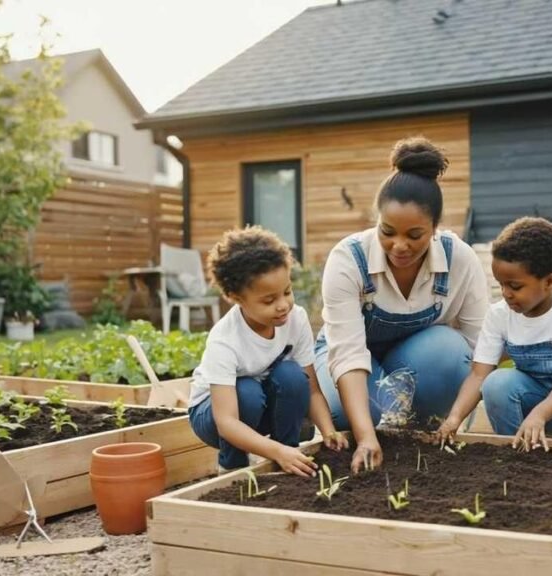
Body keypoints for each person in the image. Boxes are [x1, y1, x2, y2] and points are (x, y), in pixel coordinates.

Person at [316, 137, 489, 472]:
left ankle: (417, 439)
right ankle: (372, 430)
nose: (399, 246)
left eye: (414, 235)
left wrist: (456, 418)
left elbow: (481, 349)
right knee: (348, 414)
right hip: (350, 359)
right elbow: (348, 354)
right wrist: (366, 437)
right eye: (388, 231)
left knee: (451, 352)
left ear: (435, 228)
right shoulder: (349, 259)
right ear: (377, 220)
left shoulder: (459, 260)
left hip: (415, 360)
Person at [435, 217, 552, 451]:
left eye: (515, 286)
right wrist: (454, 418)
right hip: (532, 387)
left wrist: (539, 415)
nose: (506, 293)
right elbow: (478, 375)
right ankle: (515, 449)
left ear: (550, 281)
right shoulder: (499, 315)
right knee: (495, 384)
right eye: (501, 284)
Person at [187, 226, 348, 476]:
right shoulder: (225, 339)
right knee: (247, 392)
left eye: (287, 292)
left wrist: (329, 431)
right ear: (236, 298)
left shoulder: (296, 319)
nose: (283, 305)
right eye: (269, 300)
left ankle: (289, 455)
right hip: (215, 417)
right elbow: (226, 422)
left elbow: (312, 390)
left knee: (293, 375)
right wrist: (275, 451)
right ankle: (232, 467)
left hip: (260, 403)